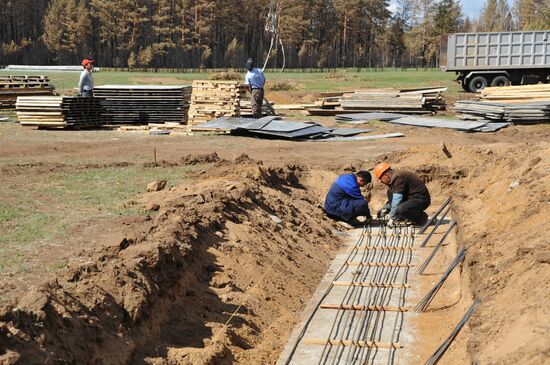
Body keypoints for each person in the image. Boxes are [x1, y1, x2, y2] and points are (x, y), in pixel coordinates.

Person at [374, 162, 430, 227]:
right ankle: (403, 217)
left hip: (421, 199)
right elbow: (393, 201)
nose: (381, 181)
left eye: (381, 178)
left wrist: (392, 217)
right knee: (390, 191)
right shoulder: (394, 178)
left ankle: (422, 218)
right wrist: (385, 208)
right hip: (410, 198)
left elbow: (397, 199)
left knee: (401, 209)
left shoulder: (399, 177)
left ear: (386, 175)